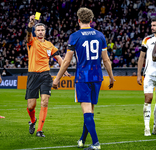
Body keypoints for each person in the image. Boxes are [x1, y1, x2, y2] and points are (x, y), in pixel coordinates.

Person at [53, 7, 115, 150]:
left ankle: (96, 143)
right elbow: (106, 60)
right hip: (97, 76)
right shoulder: (100, 35)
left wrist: (57, 79)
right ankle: (82, 139)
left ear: (79, 20)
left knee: (87, 110)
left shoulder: (75, 36)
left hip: (83, 77)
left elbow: (67, 62)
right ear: (91, 20)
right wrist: (111, 77)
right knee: (90, 110)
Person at [25, 15, 70, 137]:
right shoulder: (31, 41)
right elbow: (28, 35)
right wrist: (30, 25)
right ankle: (33, 121)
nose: (40, 32)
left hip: (45, 75)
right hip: (33, 76)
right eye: (38, 30)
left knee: (44, 102)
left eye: (42, 30)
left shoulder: (50, 45)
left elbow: (59, 59)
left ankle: (39, 130)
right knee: (31, 106)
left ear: (45, 32)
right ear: (35, 32)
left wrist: (63, 68)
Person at [137, 17, 156, 136]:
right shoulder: (147, 39)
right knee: (148, 99)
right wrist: (139, 74)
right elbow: (141, 57)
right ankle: (146, 128)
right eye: (151, 25)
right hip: (149, 74)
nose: (152, 27)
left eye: (154, 25)